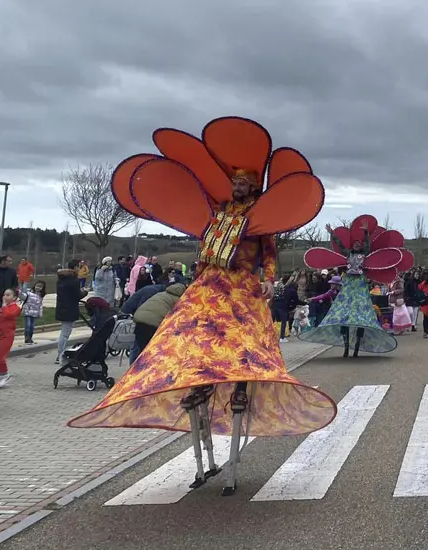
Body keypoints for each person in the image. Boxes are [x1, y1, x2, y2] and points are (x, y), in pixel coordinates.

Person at [68, 116, 337, 496]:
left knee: (243, 343)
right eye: (235, 182)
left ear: (252, 186)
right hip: (210, 285)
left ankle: (240, 385)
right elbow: (205, 250)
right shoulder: (221, 213)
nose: (237, 186)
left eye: (243, 182)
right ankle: (200, 382)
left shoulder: (260, 220)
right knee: (192, 335)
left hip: (243, 288)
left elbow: (269, 254)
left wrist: (268, 277)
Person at [300, 215, 408, 357]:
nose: (357, 243)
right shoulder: (348, 254)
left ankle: (356, 346)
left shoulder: (364, 254)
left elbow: (368, 245)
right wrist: (332, 233)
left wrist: (365, 233)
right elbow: (340, 244)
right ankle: (346, 346)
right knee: (344, 318)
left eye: (359, 242)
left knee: (361, 318)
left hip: (360, 287)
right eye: (355, 242)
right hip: (349, 286)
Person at [55, 260, 87, 364]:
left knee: (64, 332)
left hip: (62, 307)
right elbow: (77, 295)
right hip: (70, 308)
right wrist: (85, 292)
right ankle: (60, 355)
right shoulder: (74, 280)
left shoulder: (61, 279)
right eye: (79, 266)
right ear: (75, 267)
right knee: (65, 333)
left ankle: (60, 353)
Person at [0, 289, 21, 388]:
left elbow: (8, 315)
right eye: (4, 295)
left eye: (8, 295)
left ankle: (5, 375)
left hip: (7, 336)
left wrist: (4, 306)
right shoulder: (1, 309)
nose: (5, 297)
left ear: (14, 298)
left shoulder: (15, 307)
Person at [20, 281, 46, 345]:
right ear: (34, 286)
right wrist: (20, 292)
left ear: (43, 288)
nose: (38, 288)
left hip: (35, 313)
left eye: (40, 287)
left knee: (32, 326)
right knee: (28, 325)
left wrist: (40, 313)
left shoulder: (40, 296)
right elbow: (23, 297)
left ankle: (30, 338)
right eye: (37, 286)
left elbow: (40, 305)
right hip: (27, 312)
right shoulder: (29, 293)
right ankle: (27, 338)